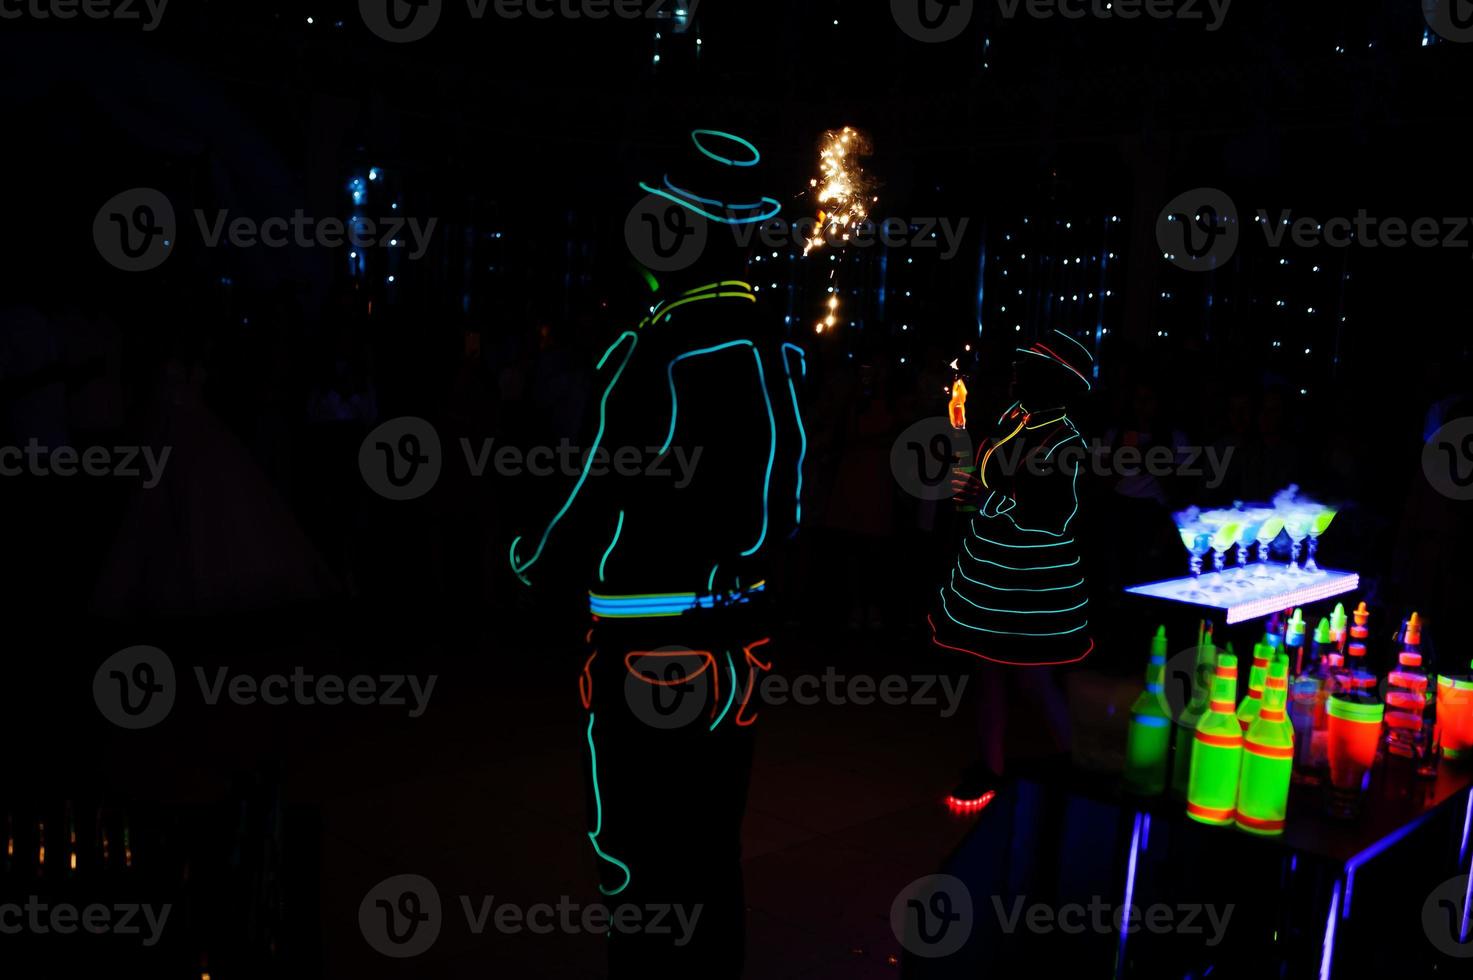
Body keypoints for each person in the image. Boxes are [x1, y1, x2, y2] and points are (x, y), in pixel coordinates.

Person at [508, 128, 805, 978]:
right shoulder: (772, 346)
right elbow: (783, 502)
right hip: (739, 635)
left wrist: (533, 557)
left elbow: (598, 485)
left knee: (638, 849)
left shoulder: (657, 350)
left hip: (650, 639)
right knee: (709, 842)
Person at [930, 332, 1095, 804]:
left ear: (1051, 381)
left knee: (1030, 675)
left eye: (1026, 370)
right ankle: (991, 764)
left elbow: (1054, 514)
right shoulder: (1012, 421)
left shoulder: (1065, 441)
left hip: (1030, 580)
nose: (1015, 375)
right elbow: (986, 479)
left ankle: (1077, 760)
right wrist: (970, 490)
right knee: (989, 670)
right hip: (993, 569)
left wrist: (991, 499)